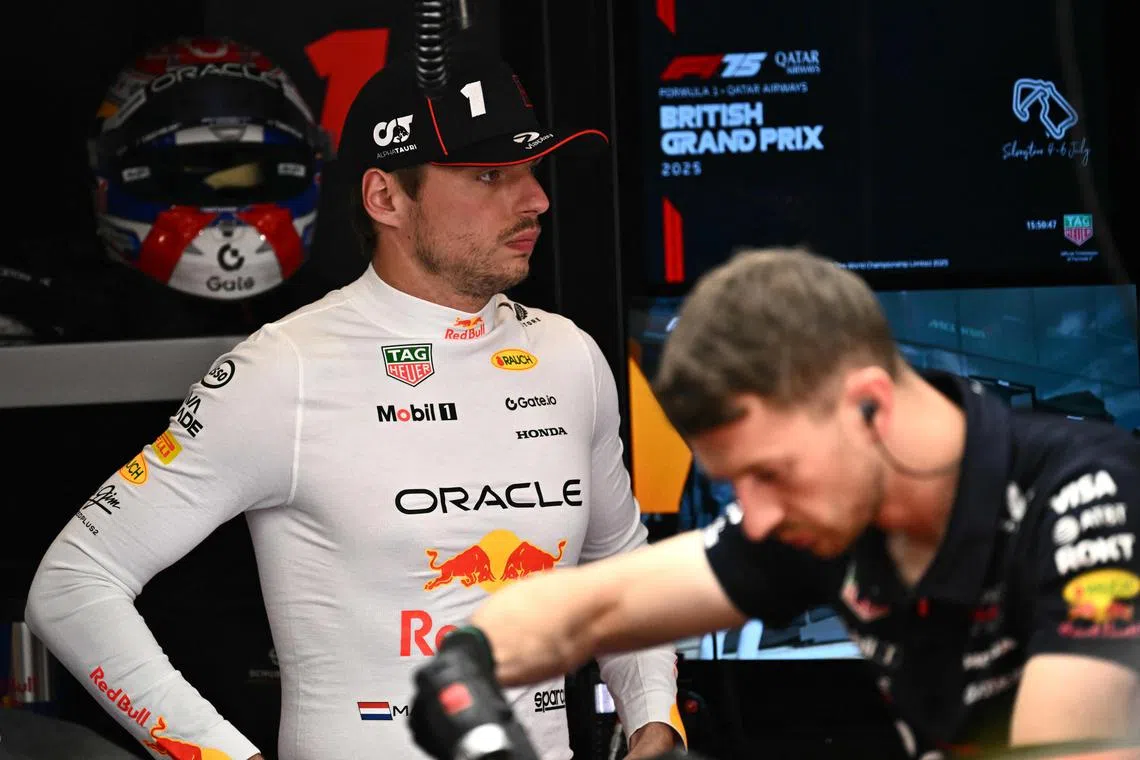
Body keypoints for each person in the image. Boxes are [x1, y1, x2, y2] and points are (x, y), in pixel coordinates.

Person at [24, 50, 684, 760]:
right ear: (386, 198)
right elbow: (72, 583)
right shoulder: (286, 370)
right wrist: (214, 752)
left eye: (529, 171)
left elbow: (617, 557)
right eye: (489, 176)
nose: (534, 201)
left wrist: (655, 716)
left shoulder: (568, 357)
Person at [452, 247, 1140, 758]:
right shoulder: (827, 507)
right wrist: (463, 672)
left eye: (771, 474)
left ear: (869, 405)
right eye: (735, 483)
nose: (757, 515)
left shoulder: (1091, 495)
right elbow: (592, 606)